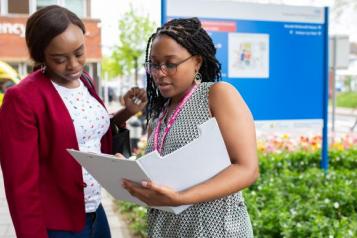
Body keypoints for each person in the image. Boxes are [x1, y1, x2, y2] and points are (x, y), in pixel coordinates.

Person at [0, 5, 147, 238]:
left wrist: (126, 113)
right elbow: (20, 185)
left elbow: (87, 133)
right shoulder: (22, 98)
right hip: (58, 224)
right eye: (59, 59)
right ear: (41, 56)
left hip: (96, 212)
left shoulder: (85, 81)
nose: (74, 65)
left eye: (79, 53)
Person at [122, 17, 259, 237]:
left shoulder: (216, 95)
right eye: (154, 64)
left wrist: (181, 198)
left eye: (170, 63)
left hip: (214, 230)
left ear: (197, 62)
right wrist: (128, 172)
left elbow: (247, 169)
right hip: (167, 230)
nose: (160, 72)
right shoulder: (159, 113)